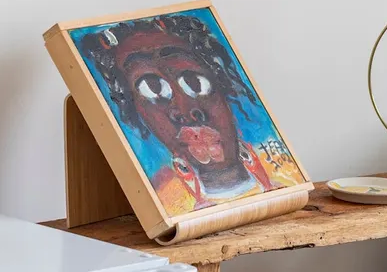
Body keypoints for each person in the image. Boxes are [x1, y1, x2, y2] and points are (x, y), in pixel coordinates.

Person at [80, 14, 303, 215]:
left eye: (196, 83)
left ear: (221, 85)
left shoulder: (286, 174)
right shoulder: (163, 201)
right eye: (152, 90)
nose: (186, 111)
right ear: (136, 112)